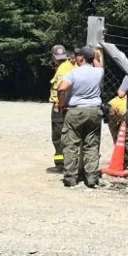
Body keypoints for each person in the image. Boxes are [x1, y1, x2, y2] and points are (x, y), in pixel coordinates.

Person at [57, 46, 104, 188]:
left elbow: (61, 88)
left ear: (81, 58)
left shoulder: (73, 73)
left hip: (76, 111)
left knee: (71, 145)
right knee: (92, 145)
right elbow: (99, 65)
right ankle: (91, 178)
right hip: (95, 111)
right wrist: (95, 56)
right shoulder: (99, 72)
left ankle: (70, 178)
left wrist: (61, 104)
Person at [48, 45, 75, 173]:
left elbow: (61, 90)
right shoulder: (71, 66)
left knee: (58, 135)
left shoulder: (62, 69)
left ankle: (60, 164)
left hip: (60, 105)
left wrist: (60, 105)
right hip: (71, 105)